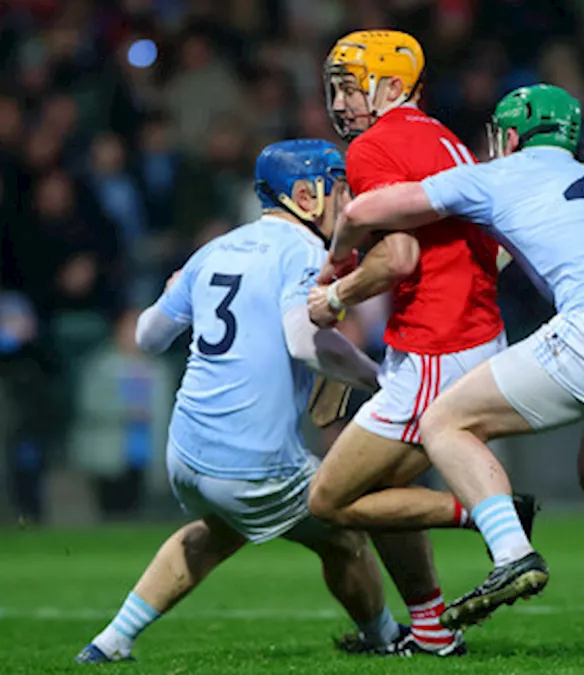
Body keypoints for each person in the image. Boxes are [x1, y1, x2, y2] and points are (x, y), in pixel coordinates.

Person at [318, 84, 584, 648]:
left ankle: (511, 552)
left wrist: (338, 259)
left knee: (444, 422)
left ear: (509, 136)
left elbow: (368, 209)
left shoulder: (496, 174)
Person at [76, 141, 436, 663]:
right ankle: (385, 638)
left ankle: (110, 641)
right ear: (306, 195)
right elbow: (302, 341)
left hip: (186, 452)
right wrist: (377, 377)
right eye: (339, 187)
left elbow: (148, 336)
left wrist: (173, 291)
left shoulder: (215, 249)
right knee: (344, 531)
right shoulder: (306, 254)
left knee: (217, 532)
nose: (349, 199)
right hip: (250, 458)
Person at [303, 30, 533, 655]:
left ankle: (495, 515)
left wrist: (336, 296)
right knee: (377, 492)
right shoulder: (443, 136)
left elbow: (399, 256)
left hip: (437, 342)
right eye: (337, 88)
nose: (341, 101)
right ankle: (431, 632)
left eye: (351, 87)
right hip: (469, 328)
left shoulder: (377, 146)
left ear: (392, 86)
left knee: (330, 498)